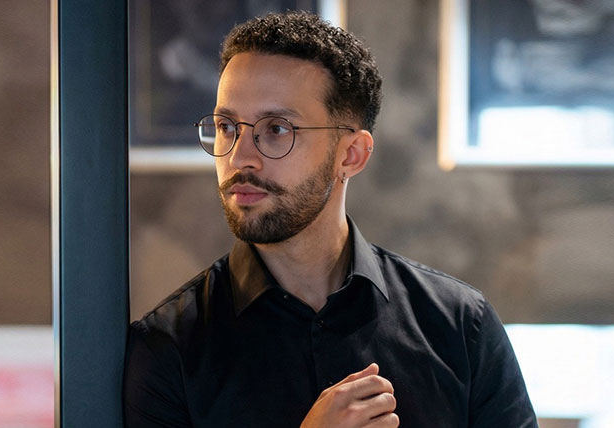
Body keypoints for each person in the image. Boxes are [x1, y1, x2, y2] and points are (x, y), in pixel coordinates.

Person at [123, 11, 537, 428]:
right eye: (227, 127)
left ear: (351, 155)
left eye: (277, 129)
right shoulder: (167, 349)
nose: (239, 157)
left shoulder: (461, 326)